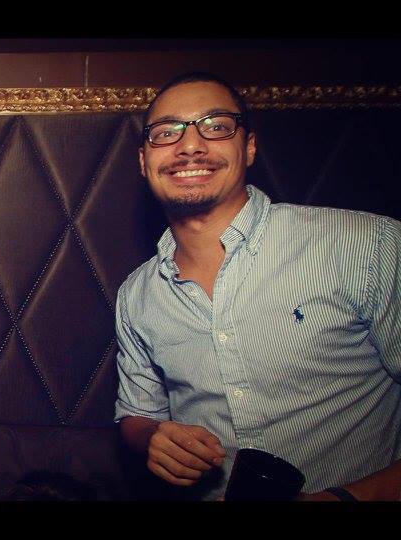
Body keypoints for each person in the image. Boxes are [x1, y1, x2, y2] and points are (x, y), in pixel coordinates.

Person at [114, 72, 401, 501]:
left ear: (248, 146)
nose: (189, 145)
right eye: (166, 132)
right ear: (143, 160)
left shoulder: (365, 245)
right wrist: (154, 437)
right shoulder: (137, 295)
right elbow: (137, 413)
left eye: (216, 126)